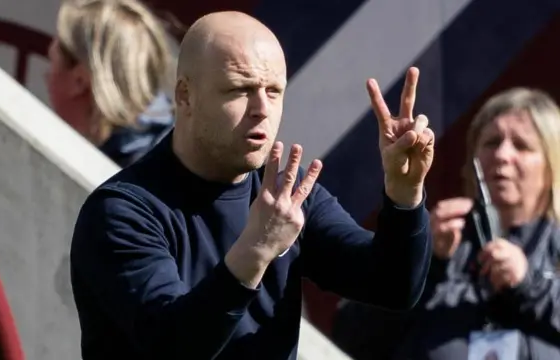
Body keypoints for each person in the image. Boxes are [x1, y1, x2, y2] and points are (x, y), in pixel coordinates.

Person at [69, 10, 436, 360]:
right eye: (239, 89)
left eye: (274, 91)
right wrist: (256, 249)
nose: (261, 108)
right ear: (185, 95)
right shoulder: (122, 212)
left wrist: (405, 196)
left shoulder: (286, 194)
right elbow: (172, 346)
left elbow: (393, 285)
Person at [332, 88, 560, 359]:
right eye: (492, 142)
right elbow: (349, 335)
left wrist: (529, 286)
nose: (502, 155)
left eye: (521, 145)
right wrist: (423, 262)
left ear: (551, 164)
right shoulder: (440, 236)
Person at [46, 0, 176, 167]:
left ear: (80, 80)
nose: (48, 77)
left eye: (53, 64)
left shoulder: (136, 176)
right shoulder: (171, 144)